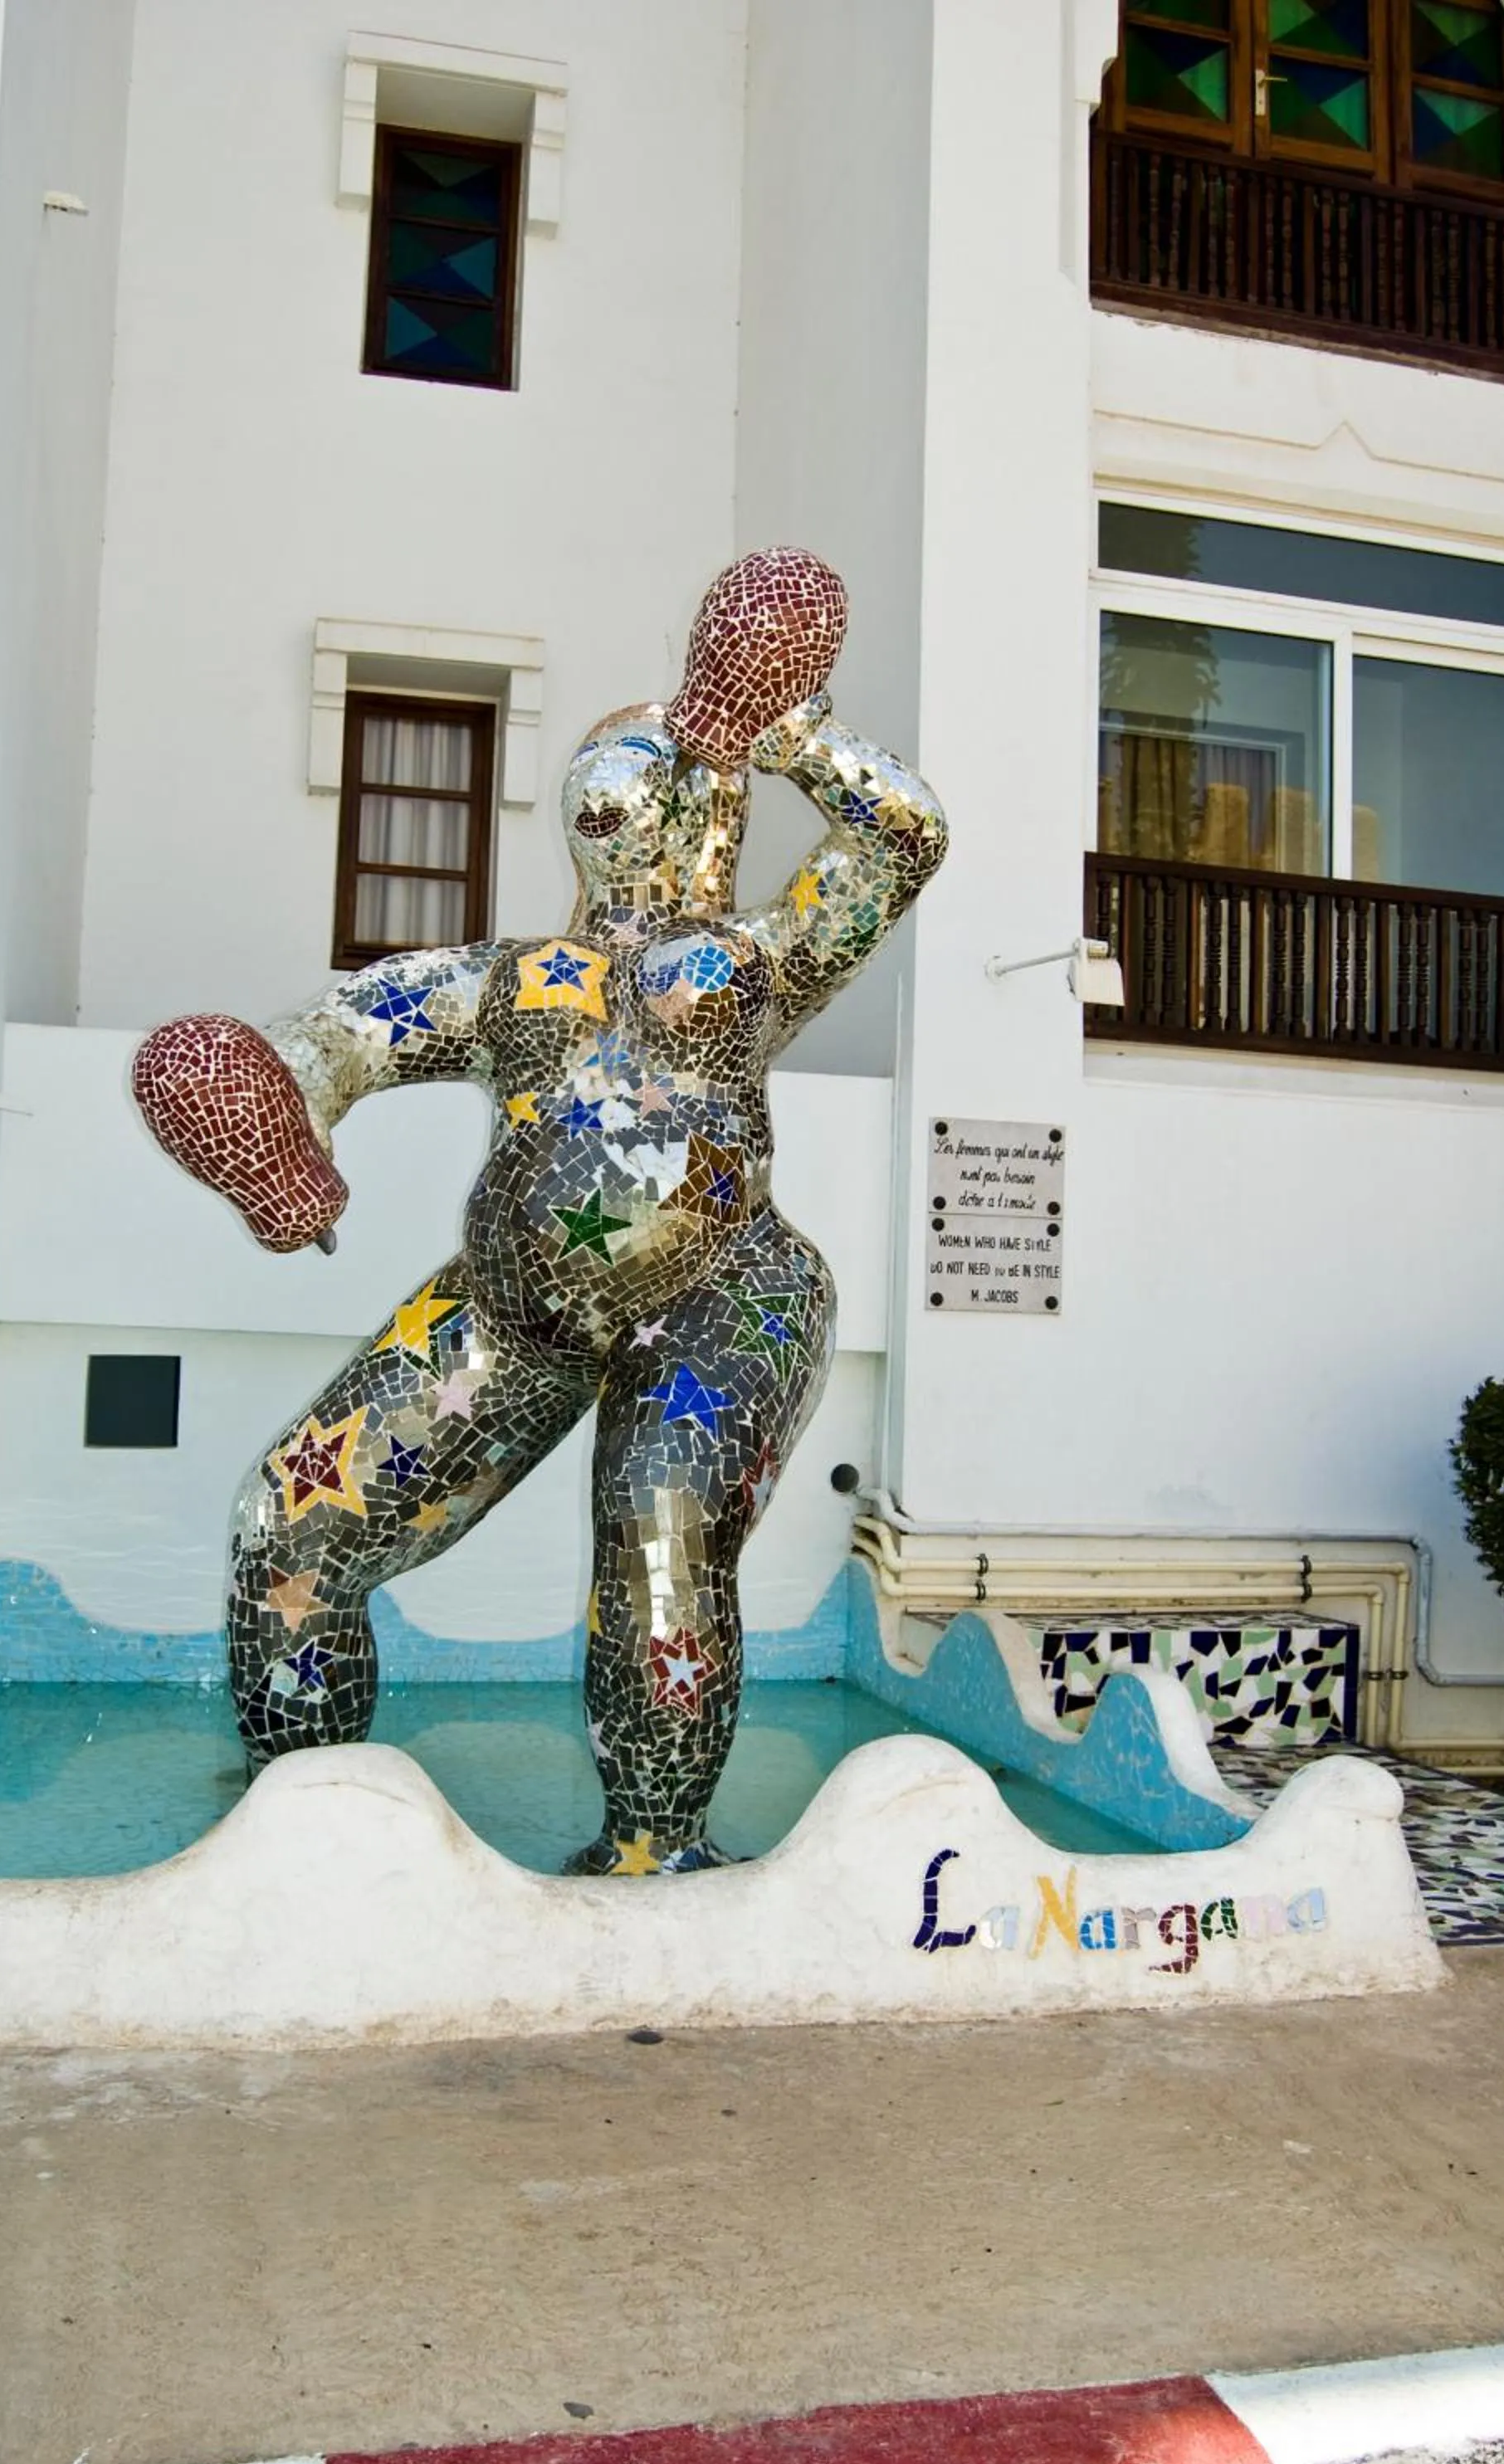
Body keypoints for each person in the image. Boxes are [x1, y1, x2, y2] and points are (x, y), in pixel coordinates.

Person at [133, 549, 946, 1873]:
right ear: (576, 818)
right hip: (515, 1320)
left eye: (682, 787)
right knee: (289, 1526)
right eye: (618, 786)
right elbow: (346, 1034)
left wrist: (784, 726)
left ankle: (653, 1848)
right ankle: (301, 1838)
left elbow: (899, 838)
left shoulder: (743, 966)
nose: (653, 809)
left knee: (660, 1530)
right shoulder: (522, 981)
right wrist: (274, 1127)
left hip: (725, 1295)